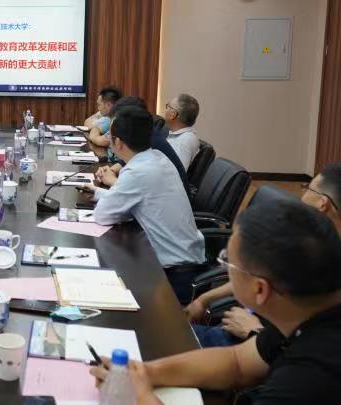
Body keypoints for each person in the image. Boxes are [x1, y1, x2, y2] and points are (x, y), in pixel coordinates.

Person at [91, 199, 341, 404]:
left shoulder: (309, 377)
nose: (224, 268)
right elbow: (238, 363)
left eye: (228, 262)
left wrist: (139, 396)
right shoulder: (301, 314)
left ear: (260, 289)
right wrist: (145, 372)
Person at [186, 162, 341, 347]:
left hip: (260, 342)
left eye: (308, 188)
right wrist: (204, 299)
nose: (303, 195)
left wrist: (254, 331)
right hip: (252, 332)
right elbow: (258, 274)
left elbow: (316, 347)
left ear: (322, 203)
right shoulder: (307, 238)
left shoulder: (322, 260)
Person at [86, 106, 205, 303]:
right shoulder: (157, 157)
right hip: (187, 262)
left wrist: (104, 196)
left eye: (110, 136)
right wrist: (99, 193)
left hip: (173, 278)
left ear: (118, 142)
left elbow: (103, 215)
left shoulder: (137, 172)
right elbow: (137, 200)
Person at [94, 96, 189, 194]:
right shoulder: (146, 135)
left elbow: (133, 191)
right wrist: (111, 170)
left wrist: (111, 180)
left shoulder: (151, 144)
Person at [163, 93, 201, 170]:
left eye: (168, 106)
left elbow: (175, 172)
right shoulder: (178, 135)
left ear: (173, 114)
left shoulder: (185, 141)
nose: (166, 109)